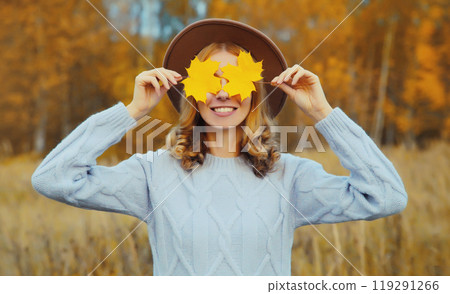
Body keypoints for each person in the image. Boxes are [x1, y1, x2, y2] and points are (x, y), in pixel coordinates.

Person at [31, 18, 408, 276]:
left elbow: (386, 196)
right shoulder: (153, 174)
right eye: (211, 80)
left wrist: (324, 113)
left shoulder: (290, 177)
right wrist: (133, 111)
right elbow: (53, 178)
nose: (224, 92)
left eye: (236, 80)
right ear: (192, 95)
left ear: (255, 93)